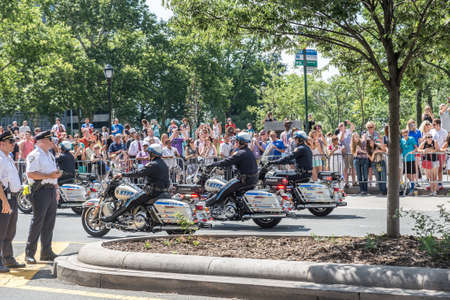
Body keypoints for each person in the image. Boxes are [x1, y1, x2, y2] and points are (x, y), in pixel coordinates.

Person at [102, 143, 170, 222]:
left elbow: (138, 173)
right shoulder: (163, 163)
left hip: (151, 192)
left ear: (153, 154)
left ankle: (112, 218)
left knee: (130, 201)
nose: (148, 155)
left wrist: (122, 175)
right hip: (161, 191)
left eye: (149, 153)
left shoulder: (153, 165)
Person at [25, 131, 62, 264]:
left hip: (50, 189)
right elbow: (31, 174)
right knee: (38, 222)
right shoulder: (35, 155)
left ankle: (46, 251)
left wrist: (56, 188)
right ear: (41, 141)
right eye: (49, 139)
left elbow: (52, 174)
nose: (51, 142)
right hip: (40, 191)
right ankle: (29, 253)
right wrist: (49, 176)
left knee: (49, 223)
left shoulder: (49, 155)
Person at [205, 132, 258, 207]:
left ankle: (206, 205)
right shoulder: (248, 152)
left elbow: (227, 161)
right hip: (251, 180)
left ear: (241, 142)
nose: (235, 143)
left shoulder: (241, 153)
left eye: (236, 141)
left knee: (222, 190)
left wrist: (212, 165)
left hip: (242, 180)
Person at [0, 131, 25, 272]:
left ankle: (8, 258)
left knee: (10, 232)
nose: (13, 145)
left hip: (12, 197)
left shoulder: (7, 157)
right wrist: (4, 201)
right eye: (11, 142)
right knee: (1, 232)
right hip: (5, 197)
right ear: (2, 143)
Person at [430, 119, 448, 190]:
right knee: (433, 169)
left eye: (434, 124)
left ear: (438, 124)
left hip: (440, 153)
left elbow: (446, 142)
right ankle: (433, 183)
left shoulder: (444, 132)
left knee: (440, 168)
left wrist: (441, 149)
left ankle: (440, 183)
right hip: (433, 153)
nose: (433, 126)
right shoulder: (432, 131)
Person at [400, 129, 417, 194]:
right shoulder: (401, 140)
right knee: (407, 174)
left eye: (406, 133)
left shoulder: (411, 139)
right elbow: (401, 149)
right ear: (402, 134)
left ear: (408, 133)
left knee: (411, 174)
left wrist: (413, 151)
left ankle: (412, 187)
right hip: (405, 159)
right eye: (403, 133)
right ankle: (412, 184)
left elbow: (416, 148)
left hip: (411, 159)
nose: (405, 134)